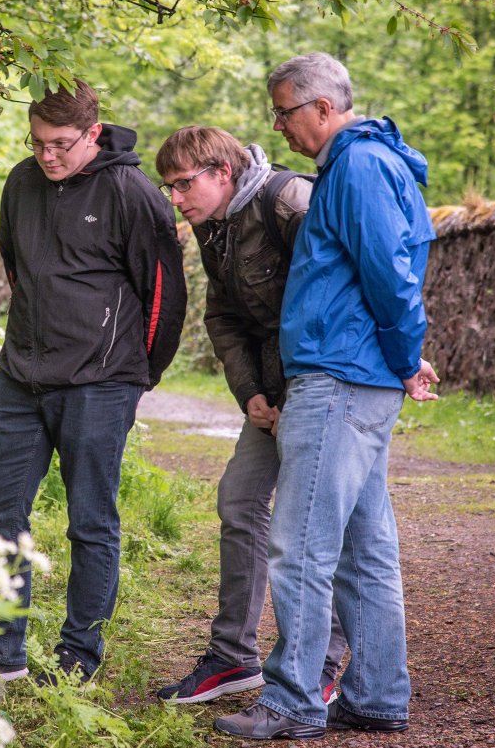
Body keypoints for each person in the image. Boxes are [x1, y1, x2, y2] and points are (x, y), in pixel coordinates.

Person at [214, 52, 440, 740]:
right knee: (363, 547)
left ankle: (291, 699)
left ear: (322, 108)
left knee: (302, 544)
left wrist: (405, 357)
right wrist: (397, 360)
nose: (276, 125)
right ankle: (374, 693)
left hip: (340, 377)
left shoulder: (361, 167)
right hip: (354, 375)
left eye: (284, 110)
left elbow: (390, 275)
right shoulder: (354, 167)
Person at [0, 79, 187, 686]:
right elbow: (15, 263)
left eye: (61, 144)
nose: (48, 156)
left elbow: (164, 296)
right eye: (37, 142)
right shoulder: (21, 181)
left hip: (100, 383)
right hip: (19, 379)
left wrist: (137, 376)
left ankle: (77, 657)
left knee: (90, 521)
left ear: (93, 133)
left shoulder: (133, 193)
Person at [152, 126, 347, 706]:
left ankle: (324, 661)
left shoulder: (288, 201)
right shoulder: (213, 229)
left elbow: (343, 287)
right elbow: (225, 319)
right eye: (169, 188)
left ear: (222, 172)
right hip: (270, 395)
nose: (177, 198)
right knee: (239, 500)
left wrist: (298, 391)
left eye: (184, 184)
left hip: (326, 385)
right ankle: (233, 657)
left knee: (312, 521)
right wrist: (252, 395)